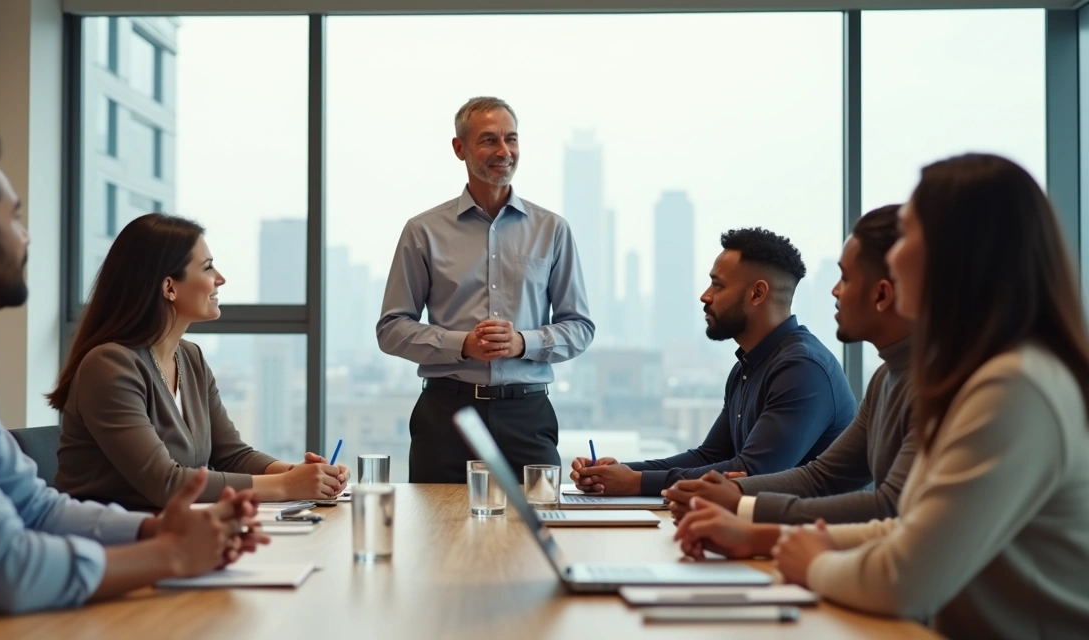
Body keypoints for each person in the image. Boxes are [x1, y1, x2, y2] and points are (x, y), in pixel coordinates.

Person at [0, 126, 266, 640]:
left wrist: (154, 529)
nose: (27, 236)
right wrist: (169, 555)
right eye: (15, 218)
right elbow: (3, 567)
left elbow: (35, 508)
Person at [678, 154, 1089, 639]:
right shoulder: (973, 375)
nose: (892, 258)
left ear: (954, 254)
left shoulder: (1013, 388)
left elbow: (906, 577)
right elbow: (909, 529)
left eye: (908, 235)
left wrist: (810, 561)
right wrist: (763, 536)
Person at [49, 213, 349, 511]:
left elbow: (232, 456)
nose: (220, 278)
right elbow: (166, 484)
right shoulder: (109, 365)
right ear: (169, 287)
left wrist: (301, 474)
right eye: (207, 268)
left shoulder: (190, 358)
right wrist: (287, 485)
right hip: (105, 536)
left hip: (172, 530)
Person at [377, 96, 595, 483]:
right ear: (459, 148)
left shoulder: (552, 230)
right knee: (437, 521)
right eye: (489, 140)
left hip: (527, 415)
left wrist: (523, 343)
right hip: (446, 415)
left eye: (511, 139)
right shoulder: (423, 231)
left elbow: (580, 327)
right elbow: (391, 329)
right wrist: (462, 344)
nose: (504, 151)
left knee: (537, 519)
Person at [664, 205, 916, 525]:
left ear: (882, 294)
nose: (835, 291)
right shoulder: (884, 378)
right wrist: (737, 492)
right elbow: (821, 476)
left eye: (845, 278)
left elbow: (891, 507)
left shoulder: (805, 366)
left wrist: (741, 502)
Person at [570, 228, 855, 496]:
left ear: (757, 293)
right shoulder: (746, 366)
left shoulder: (802, 368)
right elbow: (710, 456)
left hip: (812, 529)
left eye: (717, 285)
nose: (705, 296)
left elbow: (753, 472)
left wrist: (636, 482)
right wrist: (619, 472)